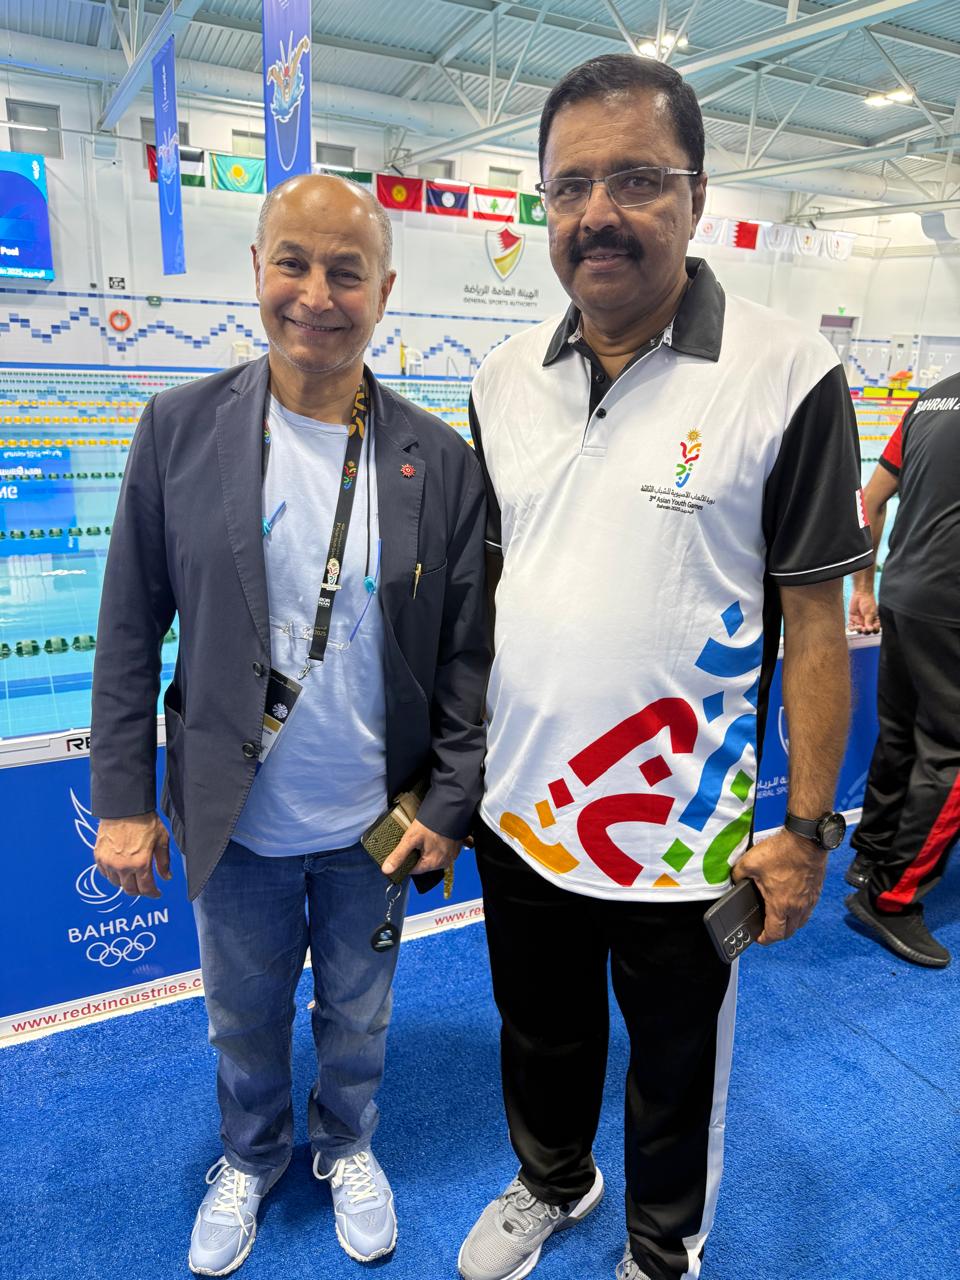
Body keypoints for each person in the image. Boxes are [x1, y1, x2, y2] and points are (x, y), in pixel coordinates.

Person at [457, 54, 872, 1280]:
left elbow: (815, 622)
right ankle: (553, 1177)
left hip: (684, 829)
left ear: (696, 196)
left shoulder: (786, 372)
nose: (599, 212)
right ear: (544, 204)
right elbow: (492, 595)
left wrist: (808, 829)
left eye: (636, 179)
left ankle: (661, 1245)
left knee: (675, 1061)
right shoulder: (500, 381)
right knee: (539, 1031)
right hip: (523, 809)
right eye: (570, 185)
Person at [89, 174, 489, 1276]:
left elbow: (466, 653)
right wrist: (123, 800)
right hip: (236, 818)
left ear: (384, 291)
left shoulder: (438, 460)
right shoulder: (179, 429)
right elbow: (127, 628)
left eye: (346, 271)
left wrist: (450, 799)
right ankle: (251, 1153)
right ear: (257, 270)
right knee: (242, 1017)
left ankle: (346, 1141)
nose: (317, 294)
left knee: (359, 1015)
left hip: (372, 820)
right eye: (294, 264)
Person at [845, 370, 960, 967]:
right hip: (952, 607)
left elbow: (866, 500)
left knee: (900, 736)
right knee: (951, 758)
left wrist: (864, 587)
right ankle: (891, 899)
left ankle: (870, 853)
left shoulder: (934, 396)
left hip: (904, 593)